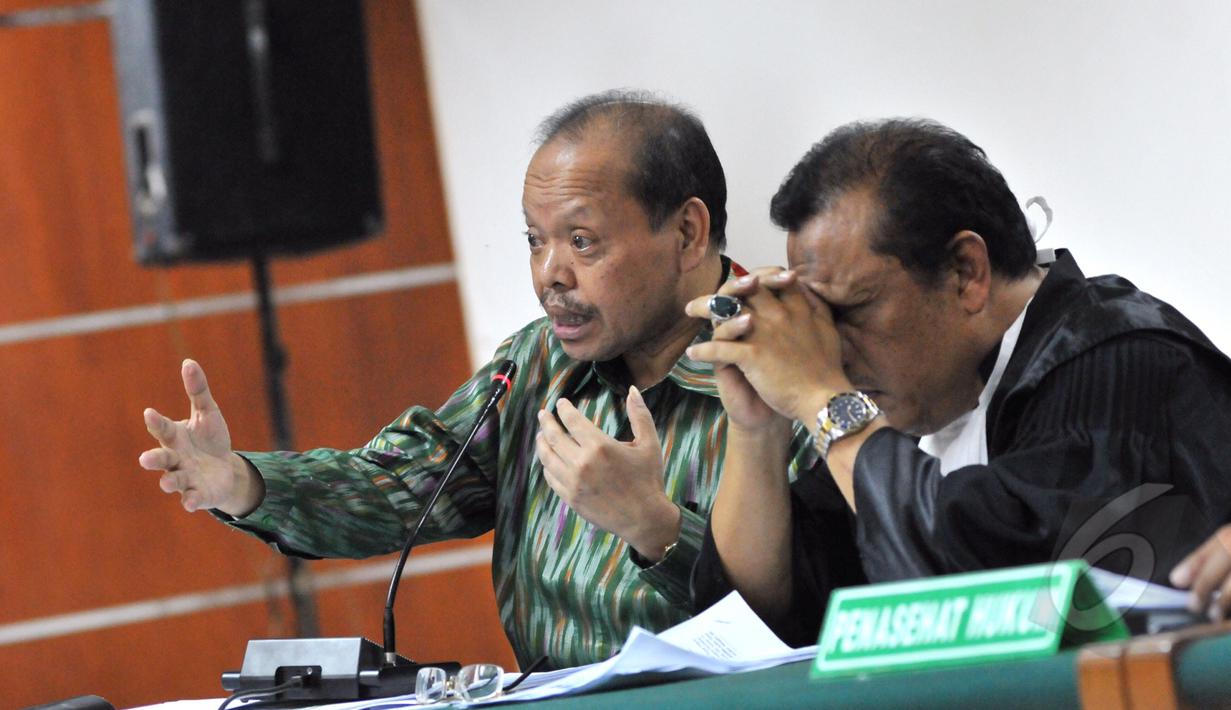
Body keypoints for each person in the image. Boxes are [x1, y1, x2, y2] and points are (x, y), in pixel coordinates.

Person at [136, 90, 830, 671]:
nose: (549, 275)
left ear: (686, 233)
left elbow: (807, 624)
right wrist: (241, 483)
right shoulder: (537, 365)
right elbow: (404, 485)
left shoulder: (789, 369)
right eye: (535, 240)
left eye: (581, 241)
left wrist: (657, 530)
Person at [685, 117, 1231, 642]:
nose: (832, 353)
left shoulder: (1123, 364)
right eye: (817, 321)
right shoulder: (916, 392)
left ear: (966, 272)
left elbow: (998, 596)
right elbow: (755, 618)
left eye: (851, 310)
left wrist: (820, 399)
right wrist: (756, 428)